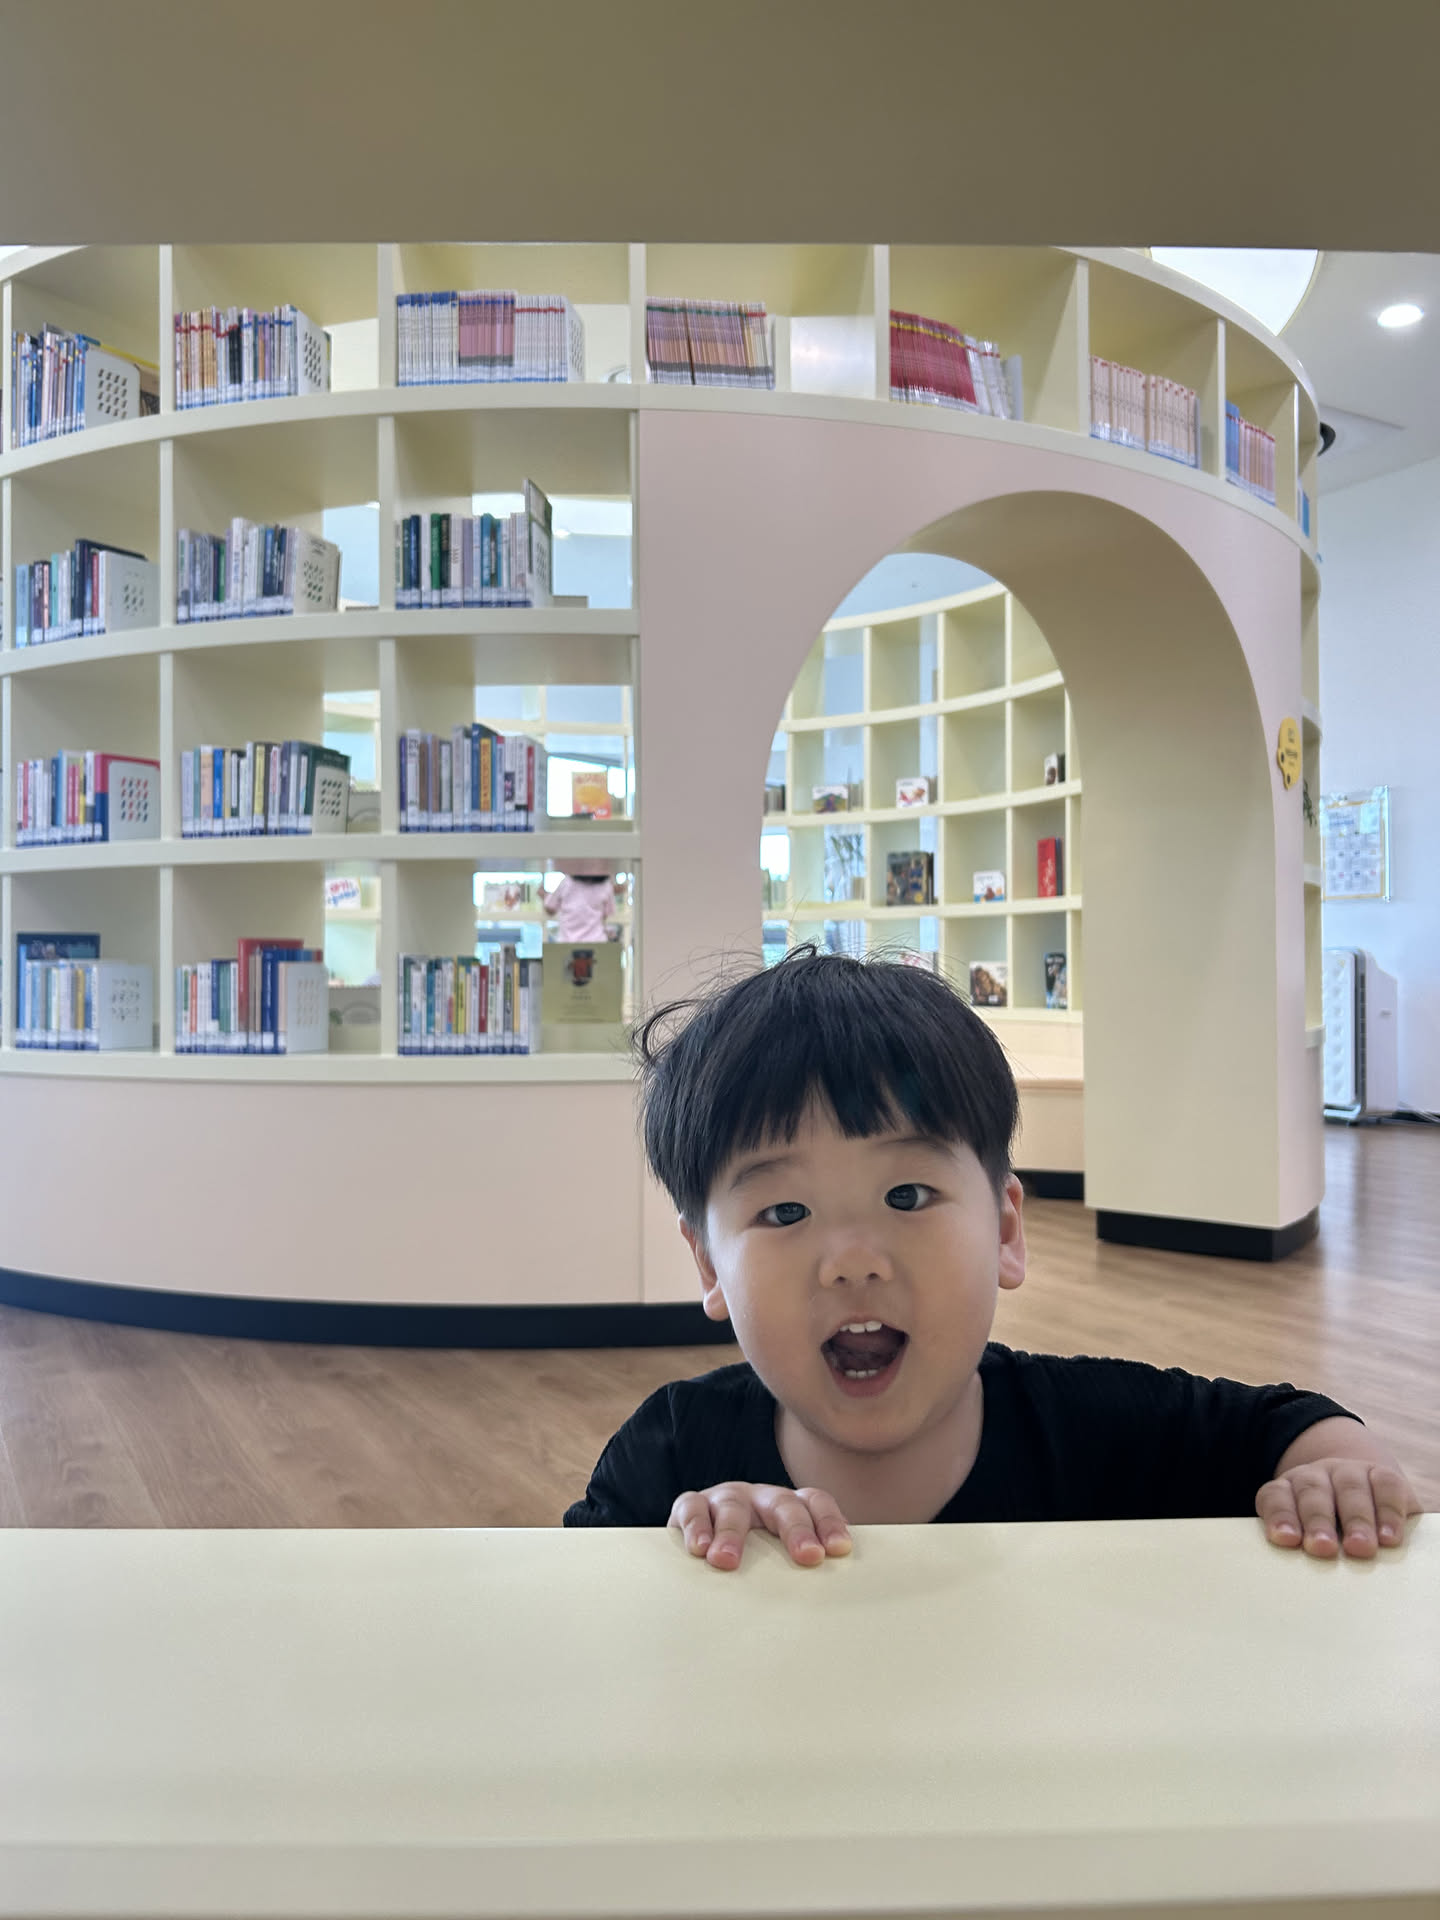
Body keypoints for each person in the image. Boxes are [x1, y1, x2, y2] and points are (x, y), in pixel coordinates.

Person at [564, 947, 1423, 1566]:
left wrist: (1336, 1477)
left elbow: (1284, 1424)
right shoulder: (668, 1456)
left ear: (1006, 1231)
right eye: (784, 1211)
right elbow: (577, 1625)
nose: (853, 1262)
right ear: (709, 1265)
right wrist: (683, 1559)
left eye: (908, 1196)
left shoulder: (1098, 1431)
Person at [540, 861, 617, 942]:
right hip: (596, 941)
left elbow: (550, 909)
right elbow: (606, 914)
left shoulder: (566, 882)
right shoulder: (605, 885)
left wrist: (545, 896)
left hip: (568, 941)